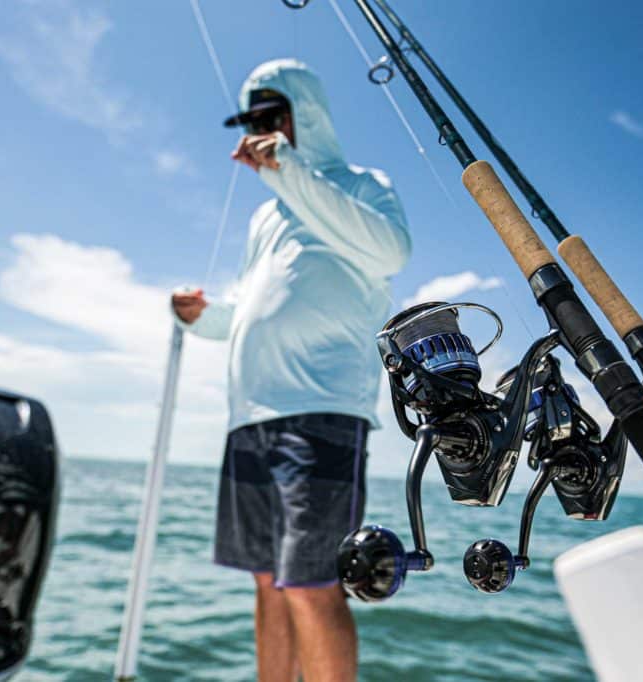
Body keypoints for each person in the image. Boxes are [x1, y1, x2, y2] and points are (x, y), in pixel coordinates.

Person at [172, 59, 410, 682]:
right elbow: (252, 307)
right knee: (269, 586)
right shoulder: (265, 217)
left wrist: (290, 169)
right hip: (248, 419)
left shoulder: (361, 184)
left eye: (271, 116)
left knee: (310, 585)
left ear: (305, 116)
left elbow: (391, 251)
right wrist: (203, 317)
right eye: (252, 121)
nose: (261, 130)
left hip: (322, 414)